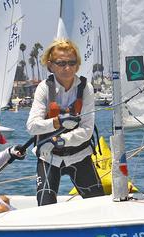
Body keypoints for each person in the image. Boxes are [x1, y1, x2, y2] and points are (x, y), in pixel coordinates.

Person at [26, 38, 104, 206]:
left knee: (99, 205)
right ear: (50, 65)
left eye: (72, 63)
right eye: (61, 63)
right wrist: (57, 122)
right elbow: (32, 126)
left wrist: (61, 140)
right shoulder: (44, 88)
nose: (67, 68)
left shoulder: (86, 88)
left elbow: (87, 130)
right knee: (45, 206)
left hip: (80, 155)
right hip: (49, 156)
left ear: (77, 65)